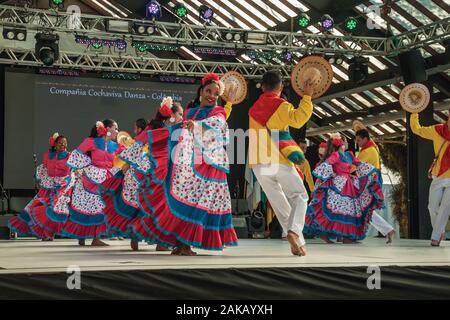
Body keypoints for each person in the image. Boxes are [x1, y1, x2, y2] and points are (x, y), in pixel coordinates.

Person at [126, 74, 238, 255]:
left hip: (209, 164)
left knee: (200, 203)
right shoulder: (189, 111)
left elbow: (217, 126)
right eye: (208, 91)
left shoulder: (218, 112)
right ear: (201, 91)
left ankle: (184, 244)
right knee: (185, 200)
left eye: (216, 94)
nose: (211, 96)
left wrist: (197, 126)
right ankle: (181, 243)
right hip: (189, 162)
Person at [248, 70, 314, 256]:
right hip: (279, 160)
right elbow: (299, 119)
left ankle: (298, 243)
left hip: (259, 164)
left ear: (262, 87)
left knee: (280, 204)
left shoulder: (253, 110)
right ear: (281, 87)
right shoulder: (281, 105)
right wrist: (307, 97)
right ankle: (293, 232)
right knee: (300, 196)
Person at [105, 98, 184, 251]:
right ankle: (149, 239)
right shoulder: (155, 127)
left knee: (161, 206)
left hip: (169, 168)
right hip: (154, 169)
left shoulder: (180, 129)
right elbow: (139, 143)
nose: (182, 117)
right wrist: (128, 163)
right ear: (172, 115)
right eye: (180, 114)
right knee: (155, 205)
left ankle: (160, 241)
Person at [304, 134, 385, 243]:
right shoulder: (336, 155)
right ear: (340, 144)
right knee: (336, 209)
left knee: (349, 209)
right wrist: (330, 174)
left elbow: (360, 164)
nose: (347, 143)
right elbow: (327, 164)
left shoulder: (349, 155)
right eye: (344, 141)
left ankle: (346, 236)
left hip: (349, 184)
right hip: (338, 184)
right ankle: (327, 234)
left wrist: (374, 171)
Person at [61, 119, 125, 246]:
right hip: (90, 177)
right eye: (115, 128)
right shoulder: (91, 142)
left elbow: (127, 156)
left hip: (106, 178)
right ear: (107, 129)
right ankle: (82, 235)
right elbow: (76, 154)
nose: (117, 131)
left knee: (101, 207)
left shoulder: (116, 146)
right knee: (86, 207)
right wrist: (77, 169)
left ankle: (96, 238)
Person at [8, 133, 71, 241]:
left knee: (54, 209)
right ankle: (47, 234)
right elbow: (44, 168)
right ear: (54, 144)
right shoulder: (48, 154)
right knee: (38, 207)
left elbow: (73, 170)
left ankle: (50, 233)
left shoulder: (70, 155)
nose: (63, 145)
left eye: (65, 143)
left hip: (61, 186)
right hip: (48, 186)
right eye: (60, 143)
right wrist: (38, 179)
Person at [410, 112, 450, 246]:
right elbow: (417, 129)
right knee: (432, 207)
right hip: (439, 175)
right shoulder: (437, 130)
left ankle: (436, 236)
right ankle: (440, 231)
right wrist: (414, 111)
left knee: (445, 207)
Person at [354, 129, 396, 244]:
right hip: (369, 183)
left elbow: (354, 166)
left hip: (368, 184)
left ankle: (387, 230)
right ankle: (388, 230)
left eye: (359, 140)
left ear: (365, 139)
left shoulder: (368, 151)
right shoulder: (371, 148)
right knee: (364, 209)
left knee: (364, 208)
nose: (357, 143)